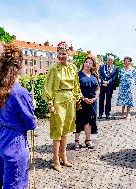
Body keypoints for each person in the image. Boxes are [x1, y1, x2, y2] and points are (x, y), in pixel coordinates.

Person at [0, 44, 37, 189]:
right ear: (17, 66)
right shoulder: (20, 93)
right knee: (15, 182)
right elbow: (31, 124)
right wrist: (32, 106)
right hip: (13, 142)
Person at [43, 41, 81, 172]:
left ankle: (63, 156)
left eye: (64, 54)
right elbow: (47, 86)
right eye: (59, 54)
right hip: (58, 100)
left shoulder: (73, 68)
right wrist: (50, 103)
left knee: (66, 129)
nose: (61, 56)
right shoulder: (54, 68)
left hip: (70, 100)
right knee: (57, 130)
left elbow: (76, 85)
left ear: (68, 54)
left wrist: (77, 99)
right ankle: (55, 159)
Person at [74, 57, 99, 150]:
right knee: (79, 121)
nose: (87, 64)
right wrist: (83, 98)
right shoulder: (78, 75)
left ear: (93, 66)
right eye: (86, 62)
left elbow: (98, 89)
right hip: (81, 102)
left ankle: (88, 140)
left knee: (89, 121)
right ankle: (76, 141)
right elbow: (76, 89)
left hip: (92, 102)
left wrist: (95, 98)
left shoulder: (95, 76)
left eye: (90, 63)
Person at [98, 55, 118, 119]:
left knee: (108, 100)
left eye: (111, 60)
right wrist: (103, 81)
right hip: (103, 85)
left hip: (110, 86)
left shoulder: (115, 68)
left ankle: (107, 114)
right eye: (108, 59)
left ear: (113, 61)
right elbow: (100, 75)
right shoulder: (102, 67)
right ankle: (100, 114)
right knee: (101, 100)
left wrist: (108, 82)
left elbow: (115, 77)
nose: (109, 61)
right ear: (107, 60)